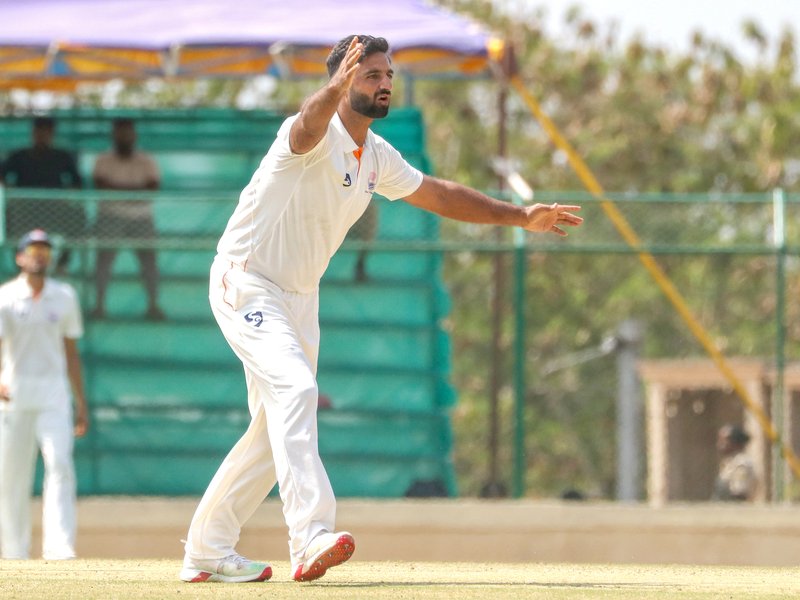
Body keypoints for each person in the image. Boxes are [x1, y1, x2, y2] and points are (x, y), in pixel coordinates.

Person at [180, 34, 583, 585]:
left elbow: (439, 195)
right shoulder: (310, 135)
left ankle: (206, 549)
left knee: (271, 429)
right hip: (247, 281)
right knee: (298, 393)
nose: (384, 83)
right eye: (371, 75)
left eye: (387, 75)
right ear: (342, 81)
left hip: (300, 296)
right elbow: (306, 121)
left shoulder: (375, 156)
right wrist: (334, 87)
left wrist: (519, 216)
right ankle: (311, 536)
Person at [0, 229, 89, 560]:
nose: (39, 255)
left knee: (60, 465)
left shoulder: (64, 296)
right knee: (11, 476)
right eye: (33, 249)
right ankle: (13, 551)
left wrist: (80, 402)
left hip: (54, 396)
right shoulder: (5, 296)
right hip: (14, 397)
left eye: (45, 250)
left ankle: (59, 547)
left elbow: (71, 351)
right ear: (20, 257)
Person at [91, 118, 165, 320]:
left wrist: (118, 189)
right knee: (103, 262)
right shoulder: (103, 160)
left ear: (134, 135)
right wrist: (134, 192)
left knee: (149, 262)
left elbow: (151, 190)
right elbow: (101, 187)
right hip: (109, 217)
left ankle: (153, 306)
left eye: (128, 132)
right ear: (113, 135)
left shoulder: (147, 160)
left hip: (141, 218)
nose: (124, 137)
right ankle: (99, 306)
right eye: (120, 132)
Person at [0, 116, 85, 273]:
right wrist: (10, 191)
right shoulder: (19, 155)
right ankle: (19, 264)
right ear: (33, 133)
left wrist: (66, 196)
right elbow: (2, 175)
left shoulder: (61, 156)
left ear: (52, 134)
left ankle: (62, 264)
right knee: (8, 218)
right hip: (23, 209)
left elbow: (77, 182)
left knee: (78, 216)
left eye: (47, 132)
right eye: (39, 132)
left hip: (54, 208)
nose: (42, 136)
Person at [712, 423, 758, 502]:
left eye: (724, 440)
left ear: (735, 442)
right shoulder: (729, 463)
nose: (719, 444)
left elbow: (739, 494)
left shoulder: (741, 464)